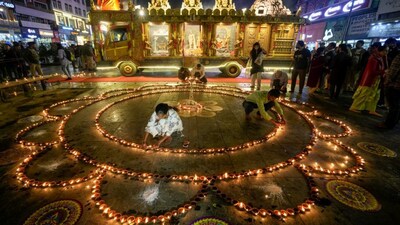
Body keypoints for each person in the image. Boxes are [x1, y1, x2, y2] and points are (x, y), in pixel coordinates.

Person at [350, 46, 388, 116]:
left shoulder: (380, 59)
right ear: (380, 51)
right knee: (364, 94)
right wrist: (383, 71)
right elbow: (371, 71)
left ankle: (371, 109)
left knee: (375, 95)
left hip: (377, 81)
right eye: (385, 51)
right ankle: (354, 107)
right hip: (369, 80)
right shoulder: (373, 59)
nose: (386, 53)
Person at [377, 54, 400, 129]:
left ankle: (388, 124)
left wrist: (387, 81)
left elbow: (393, 71)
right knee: (397, 106)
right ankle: (394, 121)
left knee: (394, 106)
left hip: (395, 85)